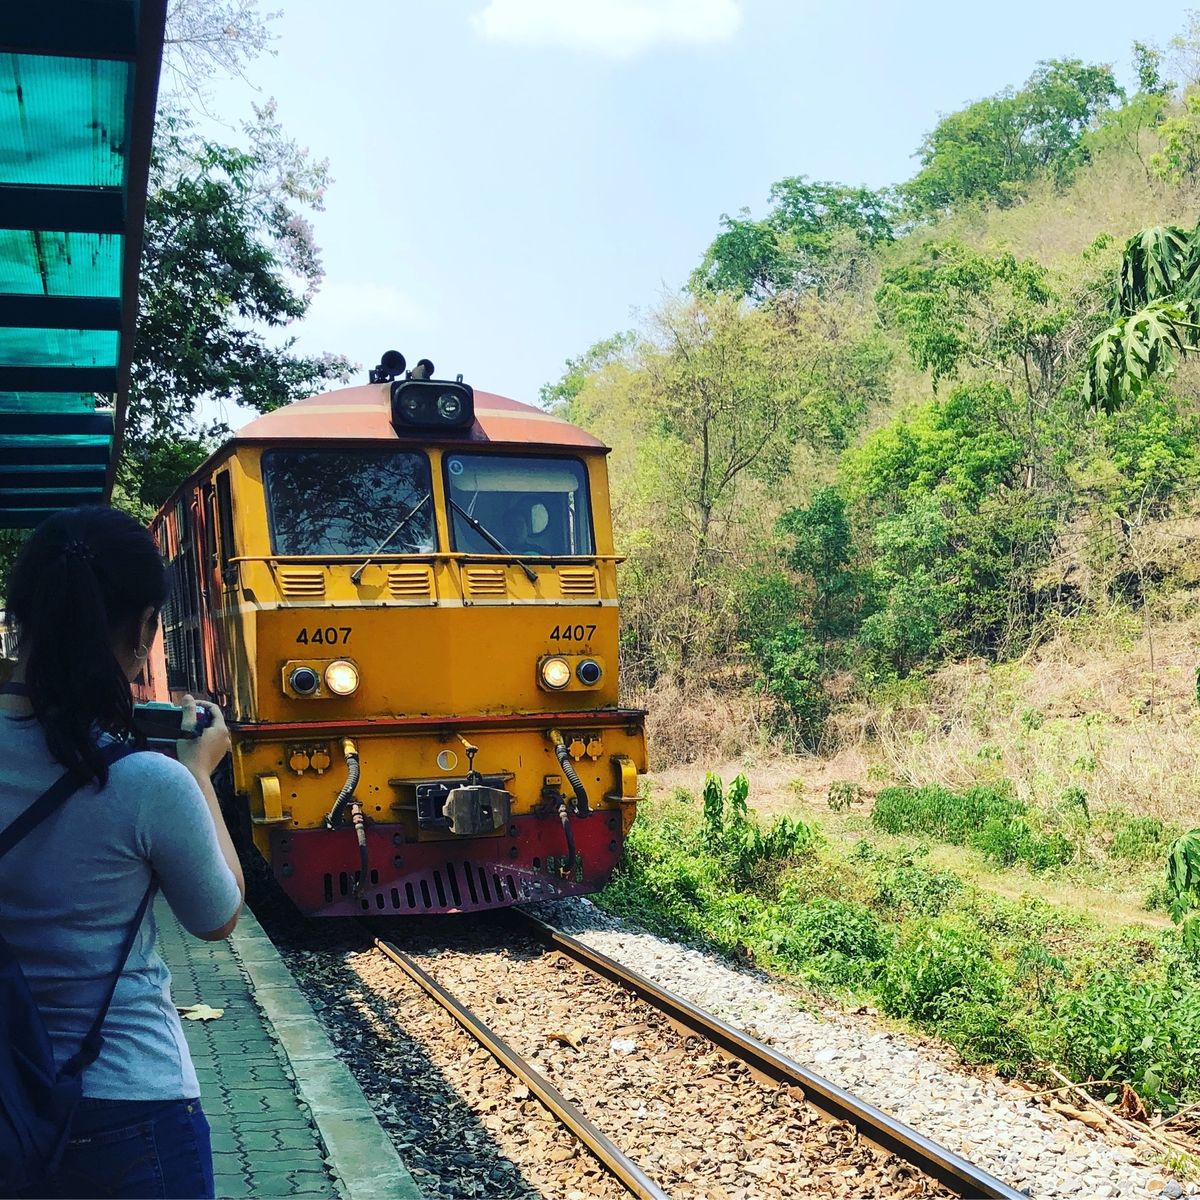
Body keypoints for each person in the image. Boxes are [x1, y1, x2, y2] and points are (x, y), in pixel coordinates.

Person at [0, 506, 244, 1200]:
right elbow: (217, 914)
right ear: (144, 630)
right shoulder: (148, 783)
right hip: (129, 1110)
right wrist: (199, 770)